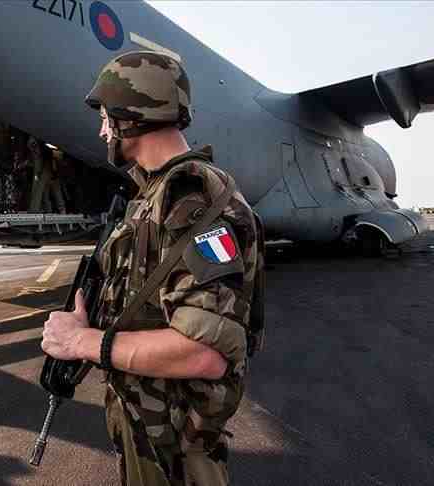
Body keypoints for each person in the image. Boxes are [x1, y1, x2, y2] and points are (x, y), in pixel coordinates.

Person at [41, 51, 264, 486]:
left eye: (107, 116)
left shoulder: (190, 200)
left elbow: (204, 353)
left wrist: (84, 341)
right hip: (151, 434)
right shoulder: (154, 196)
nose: (102, 128)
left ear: (131, 116)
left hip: (179, 453)